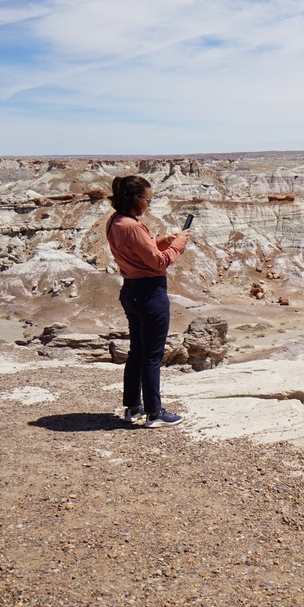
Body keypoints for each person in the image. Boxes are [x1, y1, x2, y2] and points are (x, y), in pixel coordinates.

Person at [105, 175, 190, 428]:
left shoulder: (115, 222)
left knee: (137, 352)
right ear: (135, 198)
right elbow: (159, 262)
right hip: (150, 293)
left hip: (131, 290)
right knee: (152, 355)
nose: (149, 204)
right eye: (147, 199)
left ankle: (133, 407)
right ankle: (154, 413)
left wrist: (165, 241)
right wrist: (179, 245)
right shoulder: (133, 226)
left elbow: (142, 251)